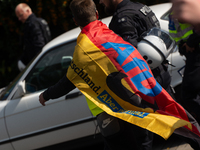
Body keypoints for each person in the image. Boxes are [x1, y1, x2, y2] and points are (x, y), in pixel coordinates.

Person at [39, 0, 200, 149]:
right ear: (96, 14)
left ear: (75, 21)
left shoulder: (83, 50)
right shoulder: (111, 33)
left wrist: (47, 95)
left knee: (145, 139)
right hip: (149, 84)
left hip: (131, 98)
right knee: (175, 118)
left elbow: (69, 80)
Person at [99, 0, 175, 149]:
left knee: (143, 136)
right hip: (160, 75)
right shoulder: (141, 7)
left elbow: (130, 55)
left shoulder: (123, 17)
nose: (101, 2)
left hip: (145, 83)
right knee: (179, 122)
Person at [169, 10, 200, 124]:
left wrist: (191, 43)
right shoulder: (175, 8)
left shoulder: (188, 4)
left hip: (196, 51)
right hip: (190, 53)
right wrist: (182, 47)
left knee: (188, 93)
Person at [15, 3, 51, 71]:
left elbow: (39, 45)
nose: (19, 19)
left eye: (21, 15)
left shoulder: (32, 24)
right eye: (18, 17)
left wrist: (38, 65)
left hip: (41, 64)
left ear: (28, 11)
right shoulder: (41, 21)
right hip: (49, 60)